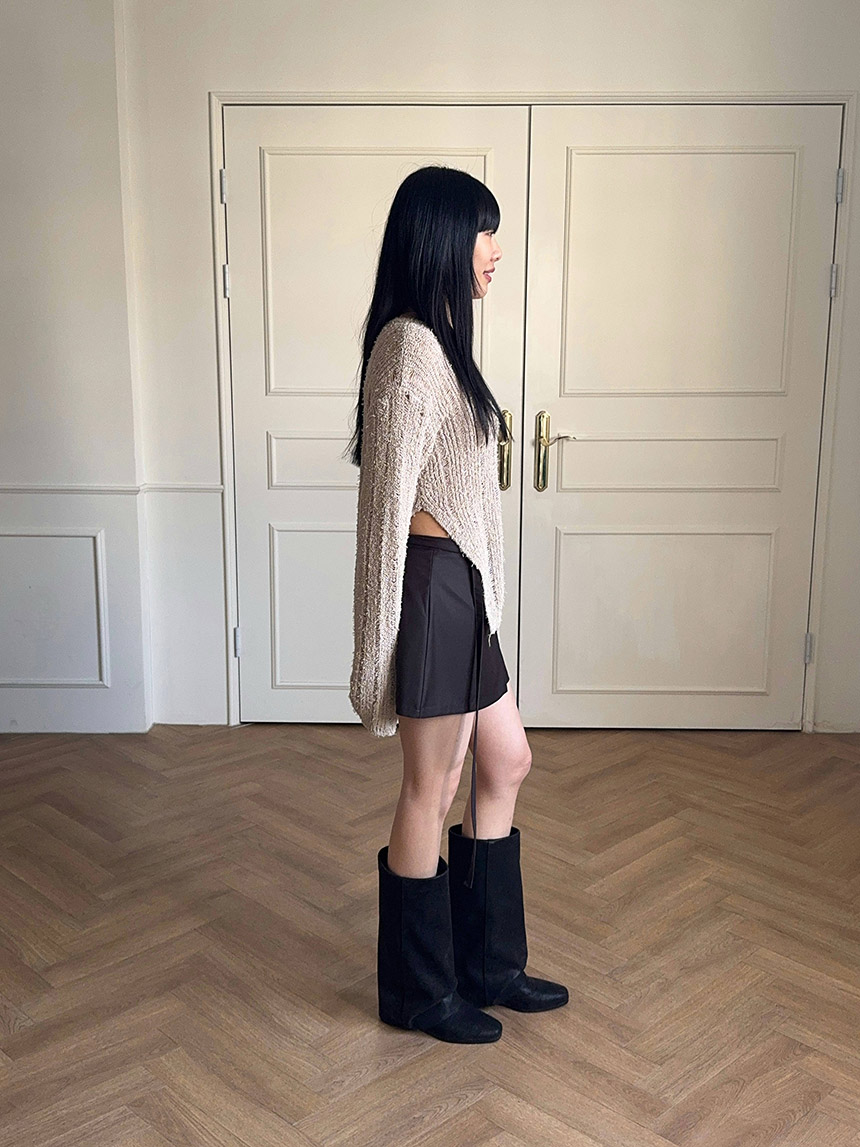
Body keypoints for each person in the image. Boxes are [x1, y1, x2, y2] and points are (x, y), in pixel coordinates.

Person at [346, 165, 568, 1044]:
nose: (496, 250)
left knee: (505, 760)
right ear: (440, 237)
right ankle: (417, 989)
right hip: (432, 588)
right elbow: (384, 510)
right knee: (431, 785)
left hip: (465, 588)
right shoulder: (407, 347)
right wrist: (377, 647)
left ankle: (489, 965)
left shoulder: (440, 342)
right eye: (483, 231)